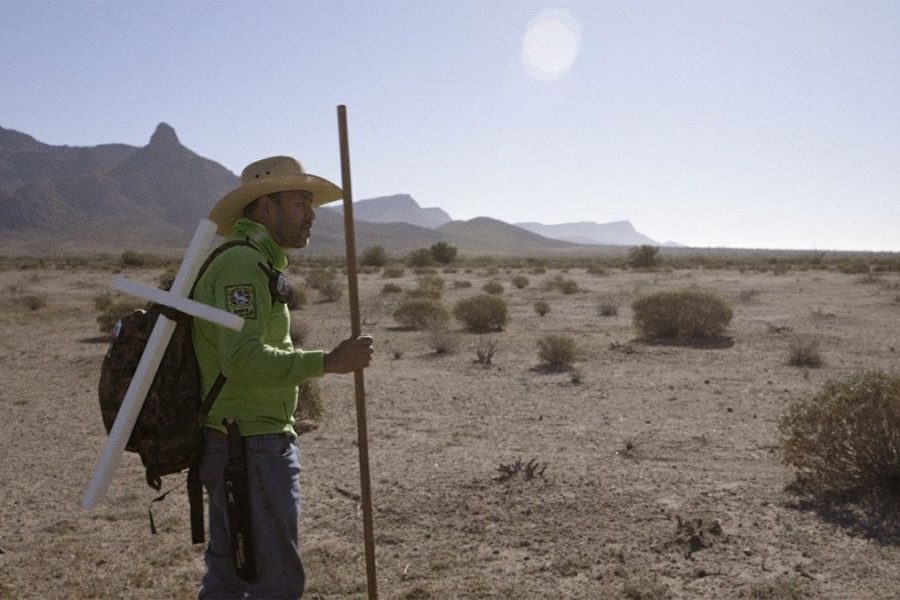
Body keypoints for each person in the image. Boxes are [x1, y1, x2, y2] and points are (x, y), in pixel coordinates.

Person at [192, 155, 374, 599]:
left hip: (238, 441)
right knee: (275, 582)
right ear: (266, 206)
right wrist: (327, 362)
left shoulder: (253, 262)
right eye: (300, 201)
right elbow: (243, 360)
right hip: (250, 445)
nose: (311, 213)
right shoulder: (242, 266)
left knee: (230, 578)